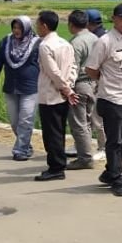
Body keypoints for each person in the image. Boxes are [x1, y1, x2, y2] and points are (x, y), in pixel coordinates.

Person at [85, 3, 122, 197]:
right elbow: (90, 69)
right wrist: (106, 81)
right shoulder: (105, 41)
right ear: (114, 19)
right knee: (115, 140)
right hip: (112, 98)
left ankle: (111, 170)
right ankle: (116, 178)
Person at [0, 15, 42, 161]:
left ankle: (20, 150)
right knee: (15, 122)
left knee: (26, 119)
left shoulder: (37, 43)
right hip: (11, 88)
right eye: (14, 27)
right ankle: (26, 146)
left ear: (27, 28)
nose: (16, 31)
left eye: (20, 28)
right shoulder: (6, 41)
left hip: (31, 88)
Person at [33, 10, 79, 181]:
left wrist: (64, 89)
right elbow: (73, 67)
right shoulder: (65, 43)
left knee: (51, 133)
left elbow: (53, 72)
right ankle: (58, 165)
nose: (37, 27)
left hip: (50, 95)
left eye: (38, 24)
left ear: (44, 26)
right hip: (63, 95)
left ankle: (56, 167)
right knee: (59, 131)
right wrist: (69, 87)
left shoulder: (45, 46)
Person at [66, 9, 104, 168]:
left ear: (71, 24)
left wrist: (67, 89)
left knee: (79, 123)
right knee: (87, 121)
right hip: (94, 84)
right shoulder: (95, 38)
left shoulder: (75, 43)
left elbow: (71, 68)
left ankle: (85, 158)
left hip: (80, 85)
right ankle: (86, 153)